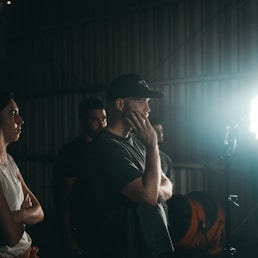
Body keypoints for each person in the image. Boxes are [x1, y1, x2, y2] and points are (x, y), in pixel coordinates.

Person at [74, 73, 175, 258]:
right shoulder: (106, 147)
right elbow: (148, 195)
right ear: (120, 105)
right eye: (141, 102)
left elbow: (167, 185)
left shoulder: (137, 141)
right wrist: (152, 145)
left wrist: (156, 191)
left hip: (156, 247)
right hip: (131, 249)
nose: (148, 110)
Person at [53, 97, 107, 258]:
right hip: (82, 229)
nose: (101, 124)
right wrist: (68, 238)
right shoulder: (71, 153)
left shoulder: (108, 149)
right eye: (94, 119)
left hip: (107, 230)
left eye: (104, 119)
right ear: (82, 120)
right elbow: (63, 200)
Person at [0, 91, 44, 258]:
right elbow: (11, 237)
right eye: (13, 115)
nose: (21, 120)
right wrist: (26, 217)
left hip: (26, 251)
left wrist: (18, 215)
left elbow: (39, 211)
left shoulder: (9, 161)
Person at [149, 118, 174, 182]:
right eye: (156, 131)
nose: (160, 134)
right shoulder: (141, 154)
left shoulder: (166, 159)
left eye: (161, 131)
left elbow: (170, 183)